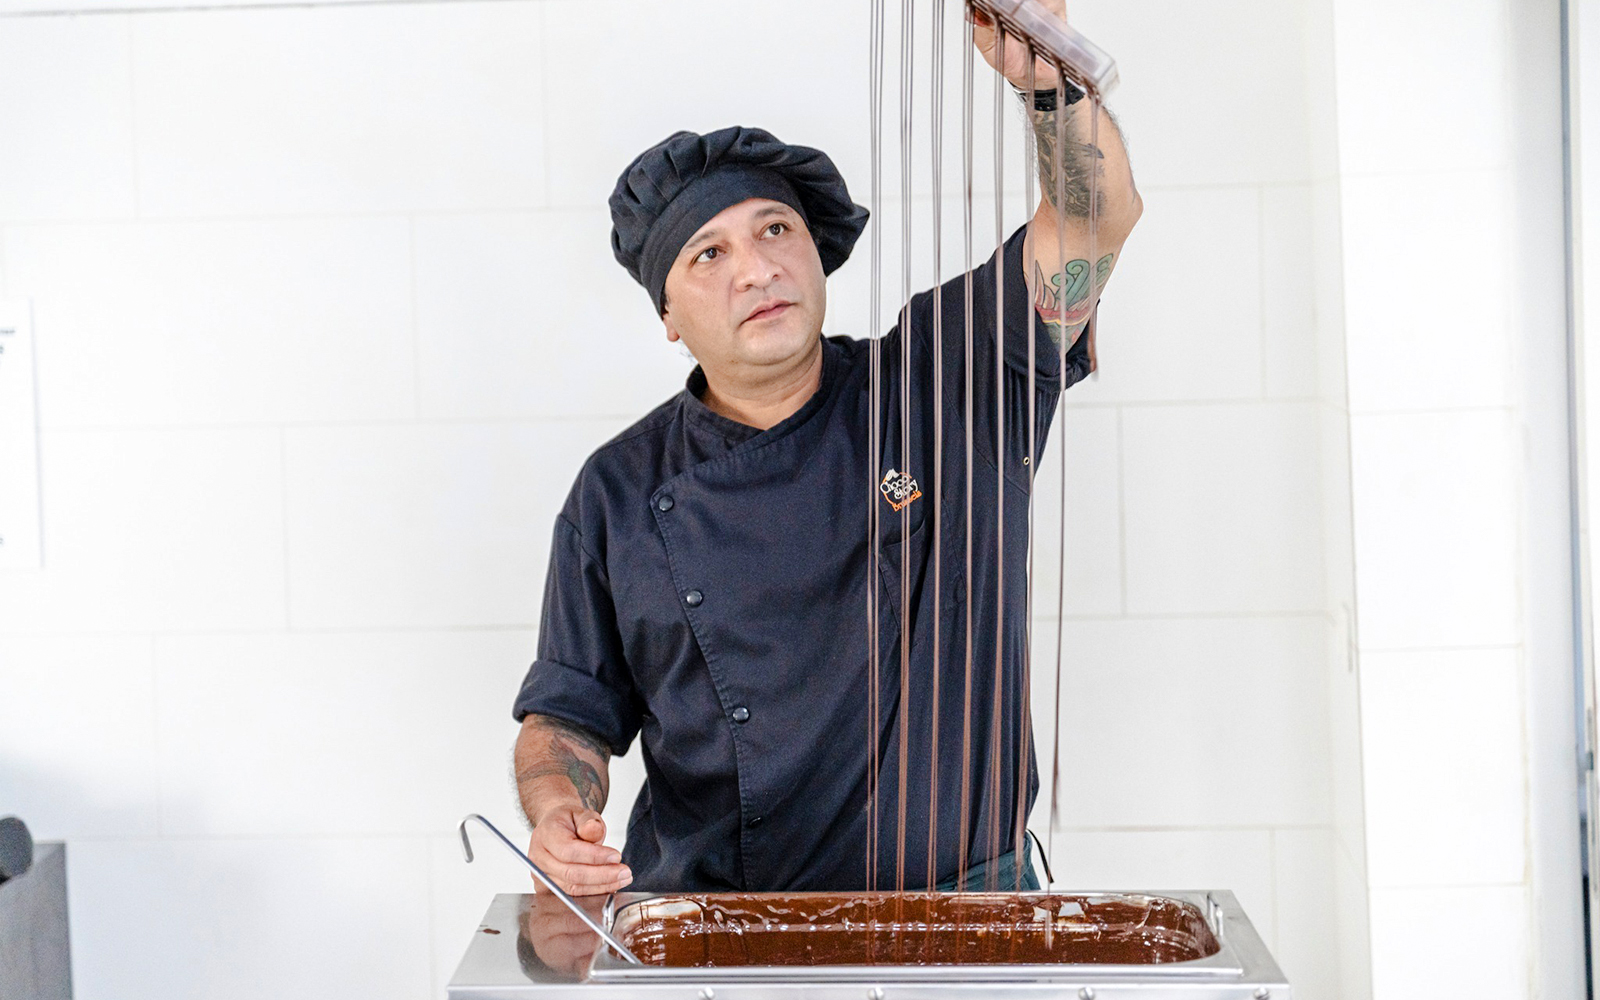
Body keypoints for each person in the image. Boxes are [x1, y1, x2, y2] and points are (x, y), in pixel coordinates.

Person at [510, 1, 1142, 897]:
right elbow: (566, 716)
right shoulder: (617, 490)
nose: (757, 268)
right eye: (707, 253)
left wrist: (1051, 85)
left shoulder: (947, 378)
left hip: (966, 920)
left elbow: (1096, 217)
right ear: (668, 316)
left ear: (816, 253)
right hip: (717, 930)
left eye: (777, 229)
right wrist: (555, 810)